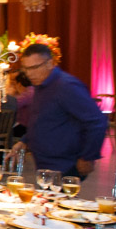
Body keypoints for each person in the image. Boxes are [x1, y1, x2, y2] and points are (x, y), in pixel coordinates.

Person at [13, 43, 107, 178]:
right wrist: (24, 140)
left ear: (50, 63)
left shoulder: (66, 86)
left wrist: (88, 156)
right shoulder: (40, 85)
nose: (29, 74)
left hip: (65, 165)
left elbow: (97, 122)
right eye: (26, 69)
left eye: (34, 68)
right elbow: (40, 120)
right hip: (45, 164)